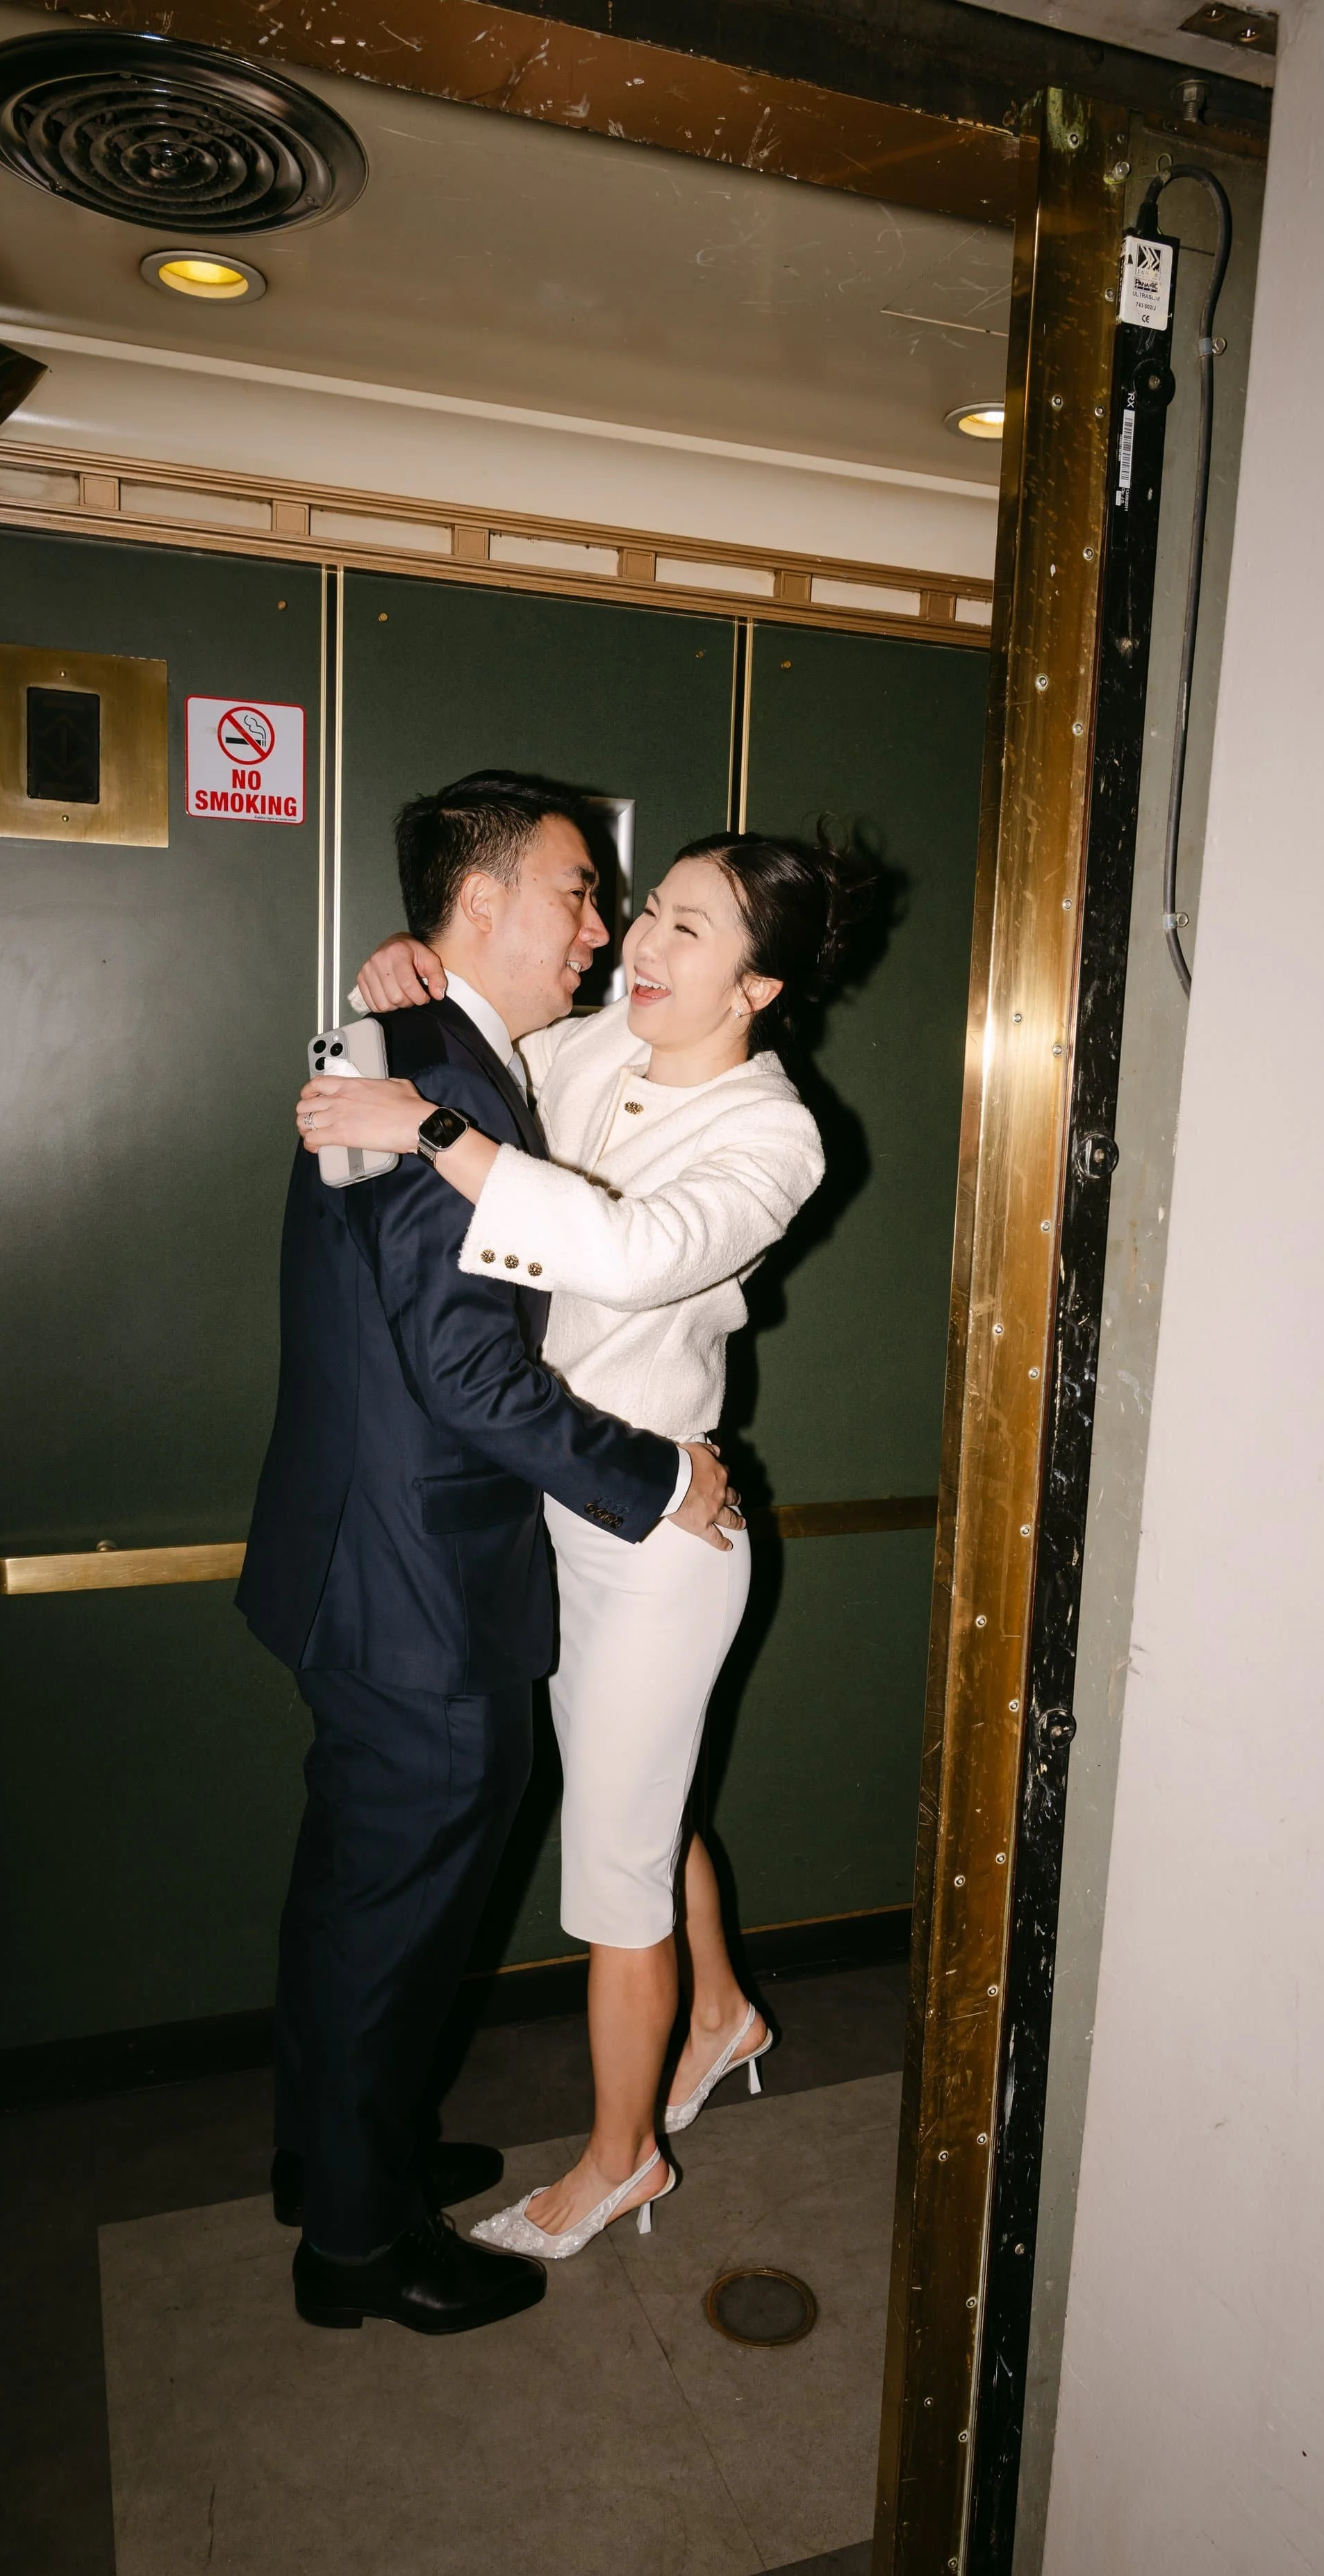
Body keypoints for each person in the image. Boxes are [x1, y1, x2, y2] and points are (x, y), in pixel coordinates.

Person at [297, 814, 874, 2257]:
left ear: (757, 987)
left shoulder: (776, 1132)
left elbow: (623, 1247)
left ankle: (623, 2160)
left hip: (655, 1531)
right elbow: (467, 1046)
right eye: (645, 910)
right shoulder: (592, 1049)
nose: (634, 942)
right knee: (637, 1789)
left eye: (686, 928)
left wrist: (430, 1130)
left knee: (612, 1865)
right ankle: (725, 2009)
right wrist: (409, 989)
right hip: (543, 1505)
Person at [239, 771, 736, 2336]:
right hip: (420, 1592)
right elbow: (469, 1376)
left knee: (348, 1896)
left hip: (353, 1559)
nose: (600, 926)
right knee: (391, 1919)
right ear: (480, 906)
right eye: (579, 890)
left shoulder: (426, 1049)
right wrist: (654, 1480)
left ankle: (333, 2154)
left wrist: (392, 971)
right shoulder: (444, 1061)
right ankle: (362, 2247)